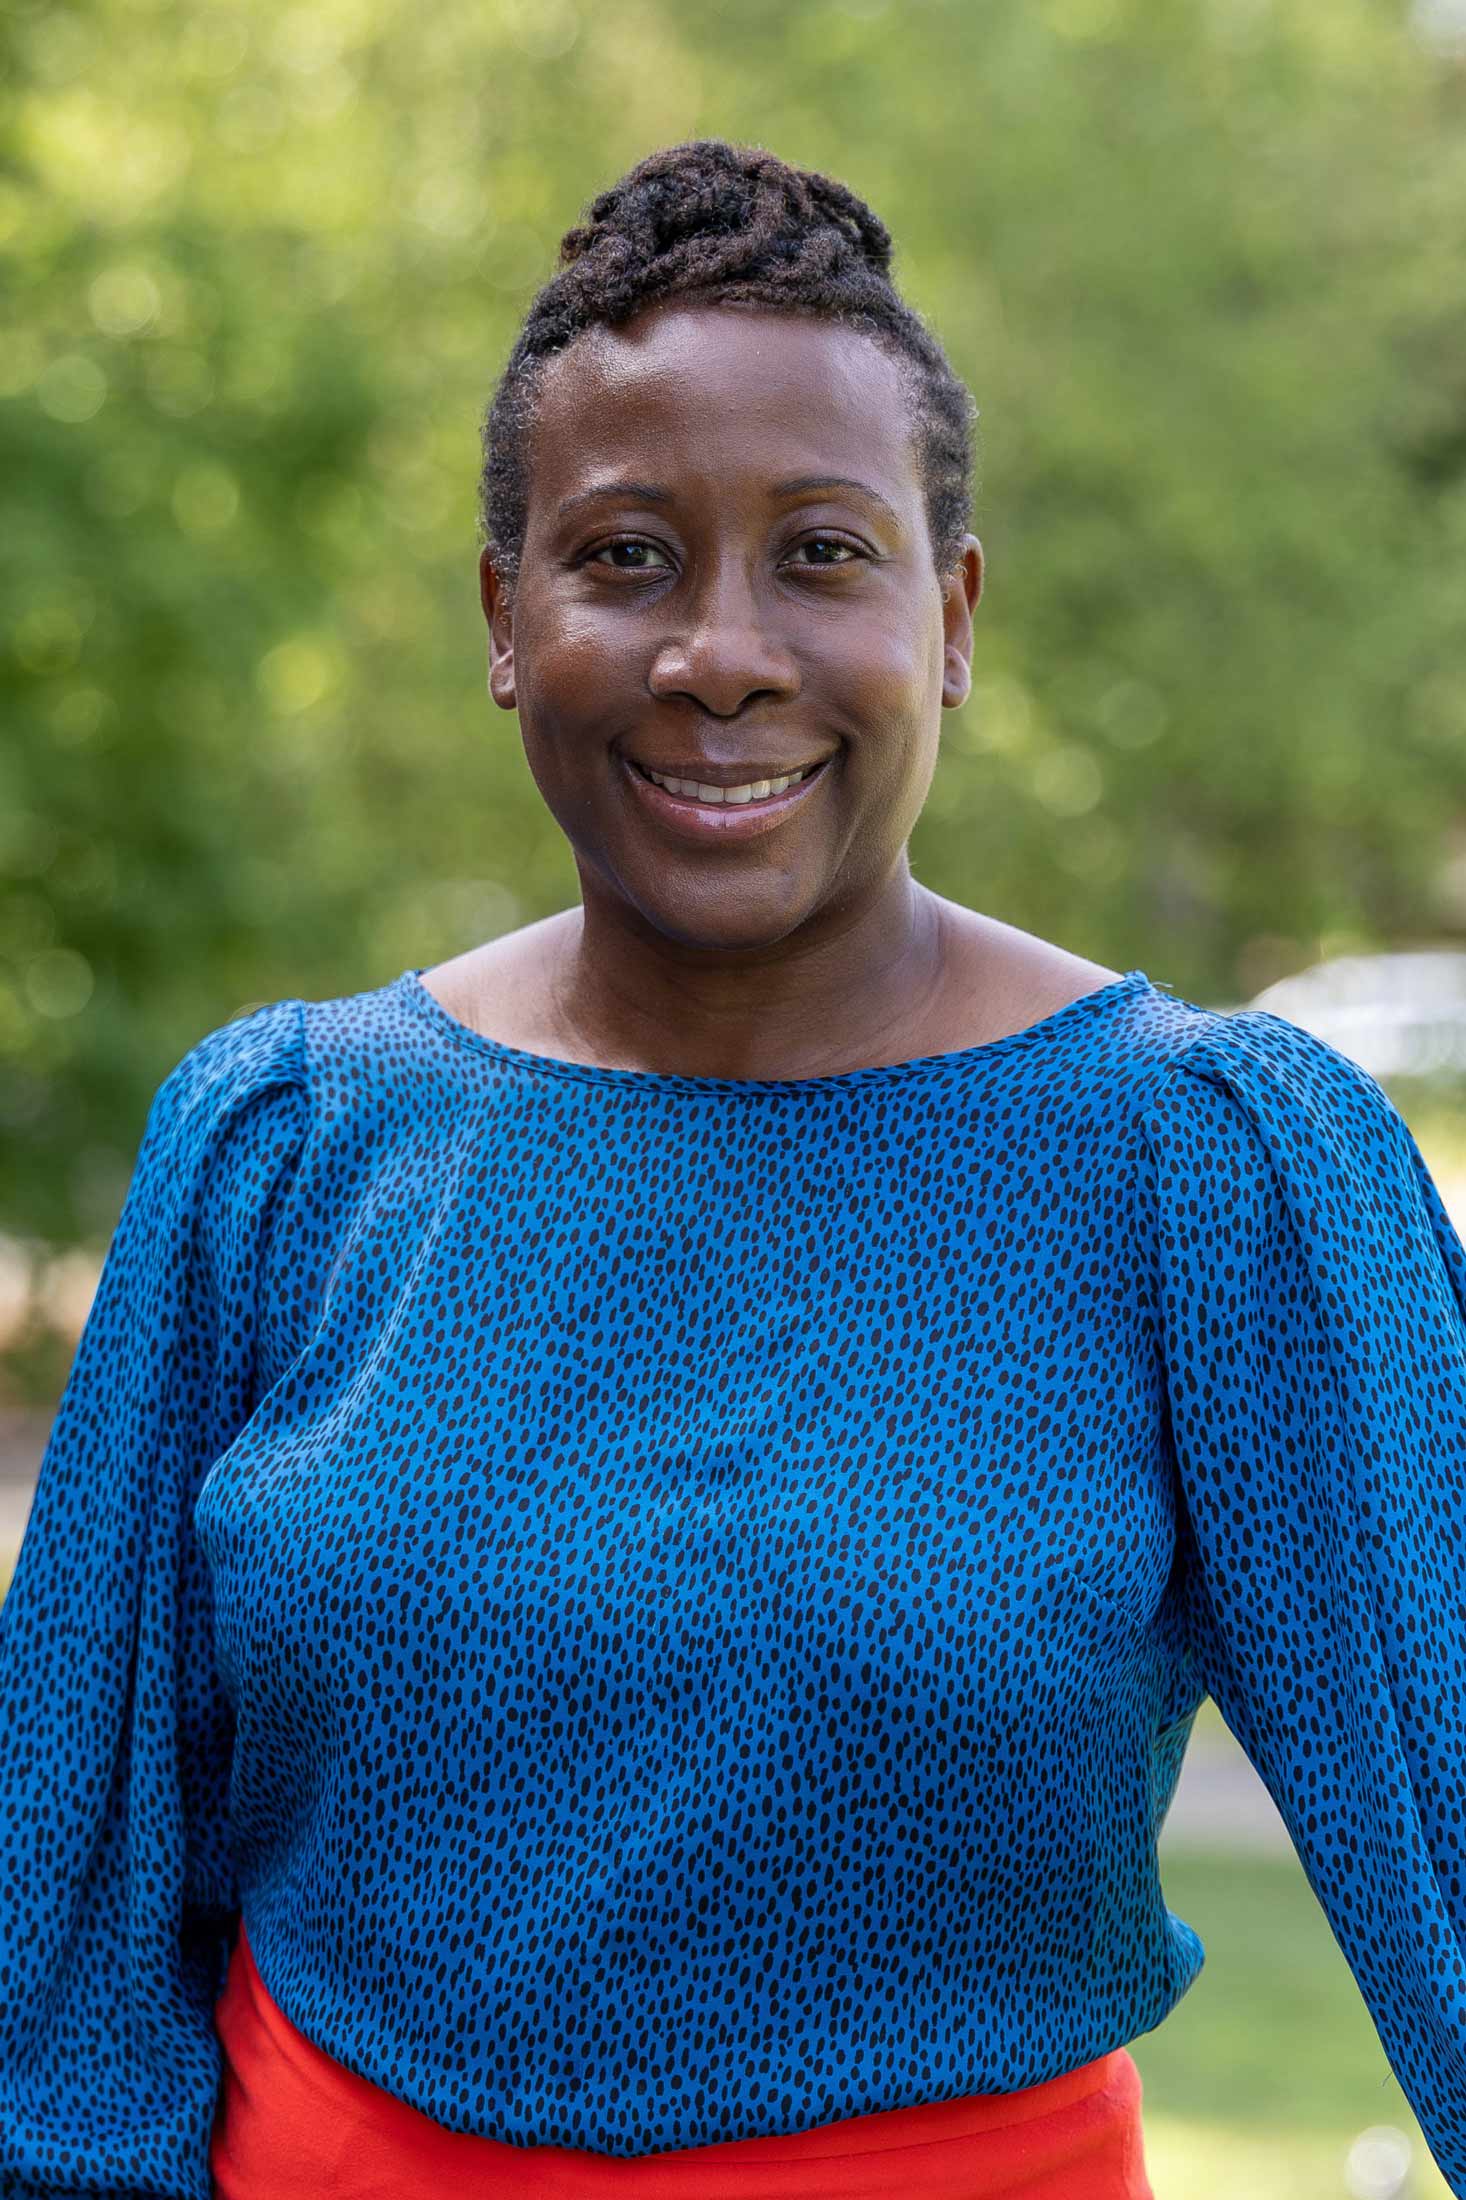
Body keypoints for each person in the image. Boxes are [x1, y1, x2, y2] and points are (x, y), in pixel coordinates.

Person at [1, 138, 1464, 2200]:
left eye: (820, 553)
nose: (720, 649)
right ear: (503, 615)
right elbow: (65, 1910)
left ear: (948, 617)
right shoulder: (283, 1150)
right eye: (620, 556)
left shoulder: (1208, 1171)